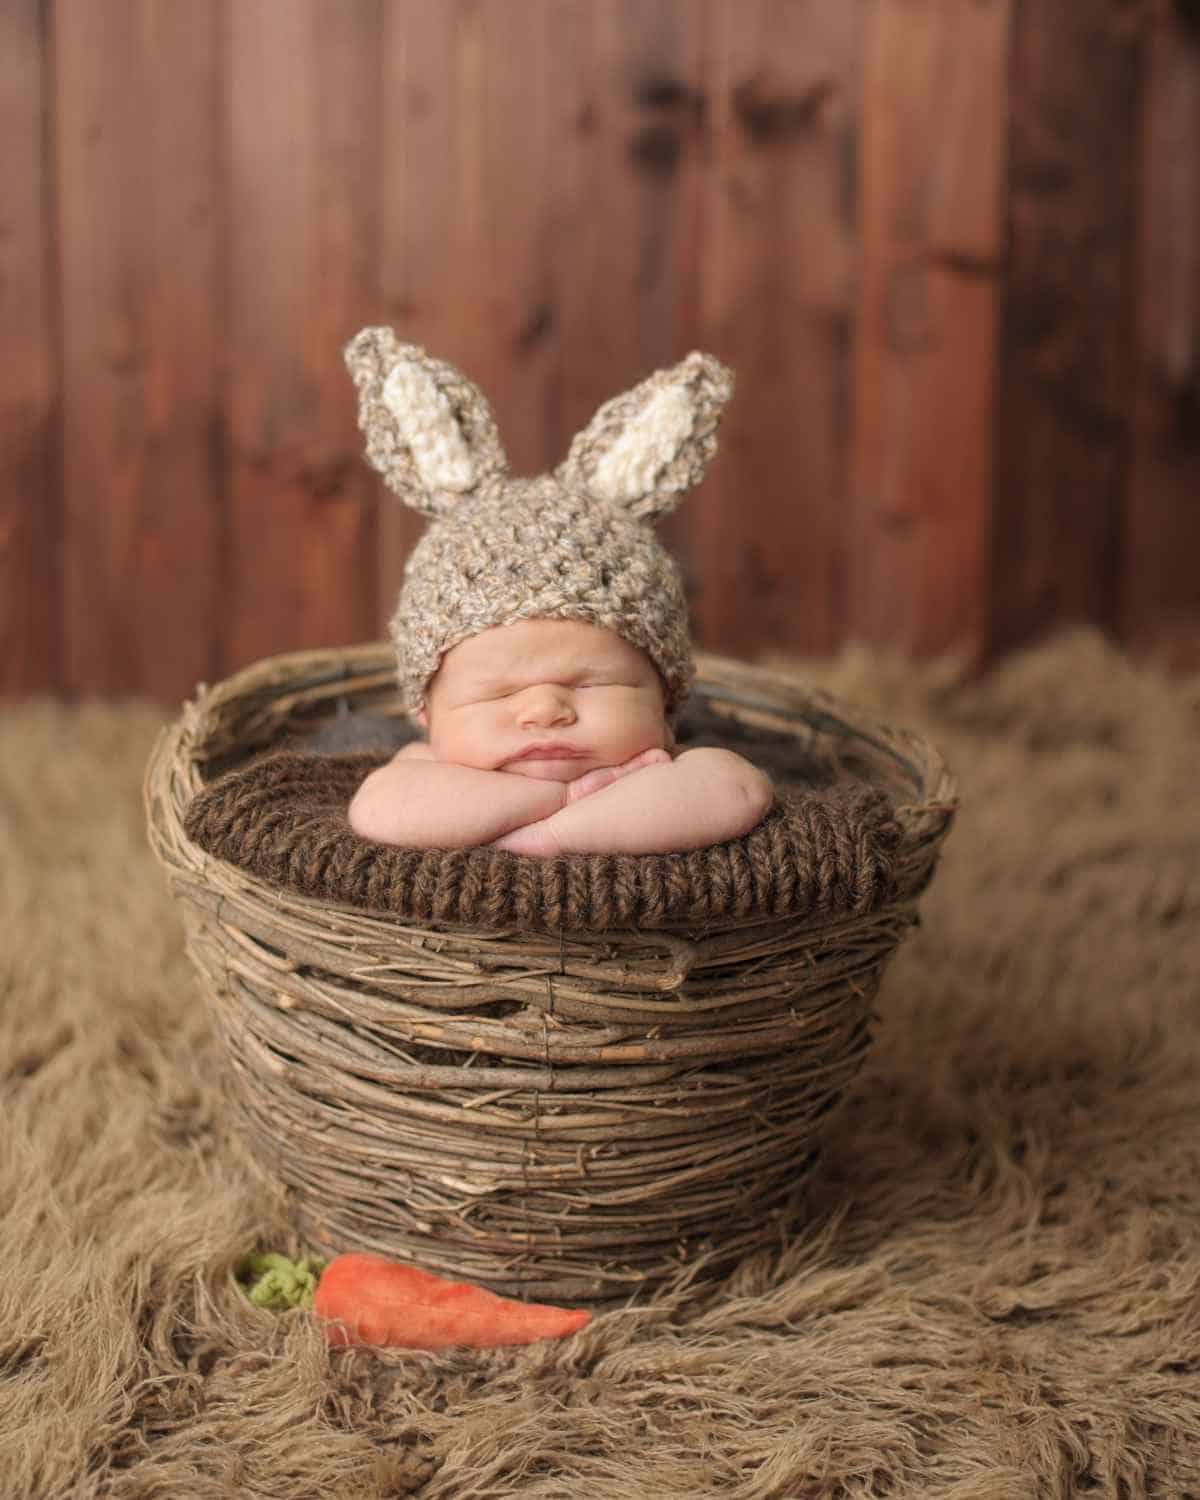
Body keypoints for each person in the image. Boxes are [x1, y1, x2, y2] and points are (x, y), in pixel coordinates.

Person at [340, 327, 772, 857]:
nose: (545, 710)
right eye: (496, 692)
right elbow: (377, 808)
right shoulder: (424, 767)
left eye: (593, 684)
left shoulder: (670, 768)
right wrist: (555, 796)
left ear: (666, 700)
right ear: (425, 713)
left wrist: (555, 835)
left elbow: (740, 790)